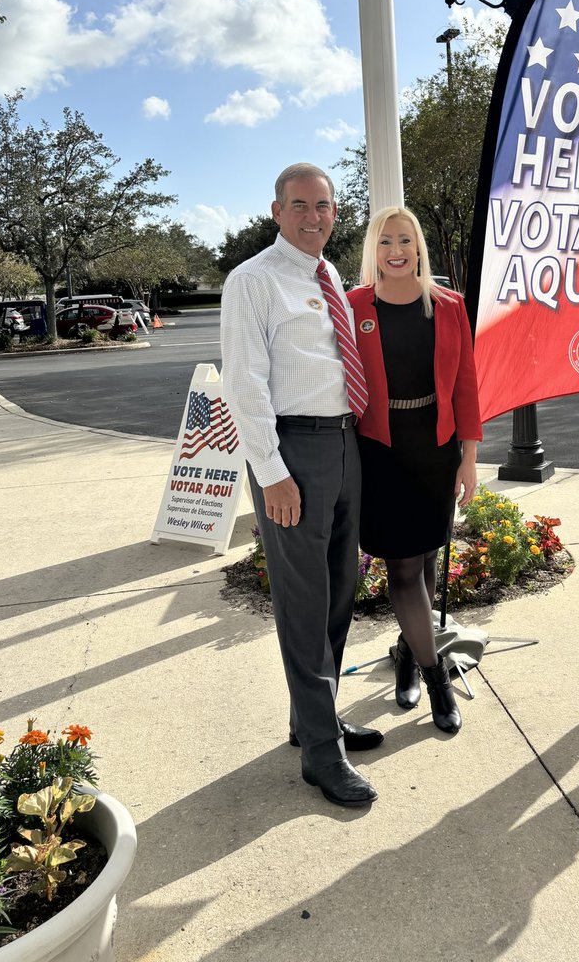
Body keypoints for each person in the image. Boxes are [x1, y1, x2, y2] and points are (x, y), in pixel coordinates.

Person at [220, 163, 382, 809]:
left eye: (324, 205)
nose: (313, 216)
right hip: (293, 450)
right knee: (304, 601)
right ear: (276, 211)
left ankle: (312, 718)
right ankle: (321, 755)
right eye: (300, 205)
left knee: (340, 588)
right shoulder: (252, 280)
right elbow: (244, 385)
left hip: (344, 442)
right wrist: (273, 472)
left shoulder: (329, 274)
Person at [348, 207, 482, 734]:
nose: (396, 250)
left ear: (419, 246)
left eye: (405, 239)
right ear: (373, 250)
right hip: (379, 452)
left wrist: (468, 457)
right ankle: (436, 679)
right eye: (385, 241)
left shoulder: (448, 306)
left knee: (426, 558)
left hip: (436, 448)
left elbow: (467, 386)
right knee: (403, 569)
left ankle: (408, 651)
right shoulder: (354, 305)